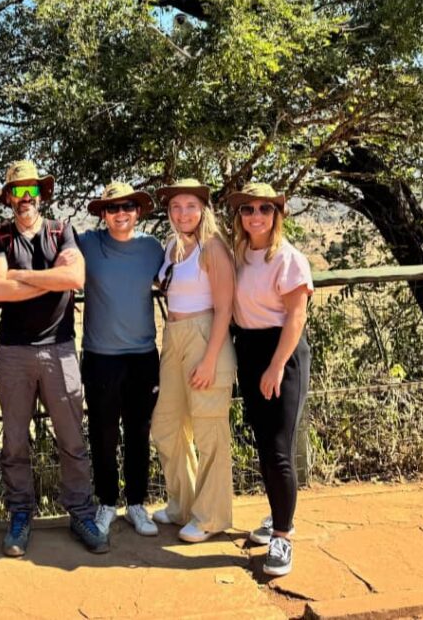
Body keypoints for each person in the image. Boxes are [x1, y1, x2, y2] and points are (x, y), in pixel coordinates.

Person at [0, 160, 107, 556]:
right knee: (14, 442)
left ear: (41, 194)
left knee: (72, 437)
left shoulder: (61, 230)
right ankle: (20, 514)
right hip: (13, 352)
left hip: (60, 347)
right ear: (8, 198)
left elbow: (74, 279)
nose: (25, 198)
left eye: (31, 190)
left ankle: (81, 512)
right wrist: (49, 279)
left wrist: (21, 277)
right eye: (17, 191)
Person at [228, 182, 313, 577]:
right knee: (264, 444)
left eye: (264, 208)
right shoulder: (240, 255)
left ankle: (283, 536)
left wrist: (277, 366)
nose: (255, 216)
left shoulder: (289, 258)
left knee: (279, 449)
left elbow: (296, 315)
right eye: (248, 209)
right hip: (248, 349)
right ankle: (279, 515)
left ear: (277, 214)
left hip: (282, 353)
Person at [150, 179, 237, 543]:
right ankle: (182, 505)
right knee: (166, 425)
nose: (182, 213)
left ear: (203, 209)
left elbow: (225, 309)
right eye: (175, 207)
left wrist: (210, 359)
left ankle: (211, 517)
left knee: (208, 429)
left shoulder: (213, 247)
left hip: (205, 336)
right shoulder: (173, 246)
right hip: (173, 337)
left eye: (190, 206)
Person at [77, 182, 165, 539]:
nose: (120, 213)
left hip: (143, 356)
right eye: (112, 208)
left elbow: (180, 276)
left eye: (127, 206)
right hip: (101, 357)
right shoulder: (87, 244)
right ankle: (107, 503)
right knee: (103, 434)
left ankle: (137, 504)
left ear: (138, 211)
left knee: (139, 432)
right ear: (103, 214)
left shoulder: (152, 248)